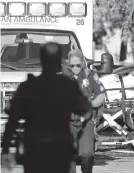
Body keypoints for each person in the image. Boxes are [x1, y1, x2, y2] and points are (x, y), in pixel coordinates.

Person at [1, 42, 91, 173]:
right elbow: (86, 110)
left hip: (34, 149)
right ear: (59, 60)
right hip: (60, 149)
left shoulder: (28, 87)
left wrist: (5, 150)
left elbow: (12, 120)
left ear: (42, 60)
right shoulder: (68, 86)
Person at [64, 50, 105, 173]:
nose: (75, 68)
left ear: (82, 63)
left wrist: (89, 104)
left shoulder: (90, 76)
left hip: (86, 121)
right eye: (72, 66)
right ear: (68, 64)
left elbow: (101, 96)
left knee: (87, 154)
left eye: (78, 65)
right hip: (68, 122)